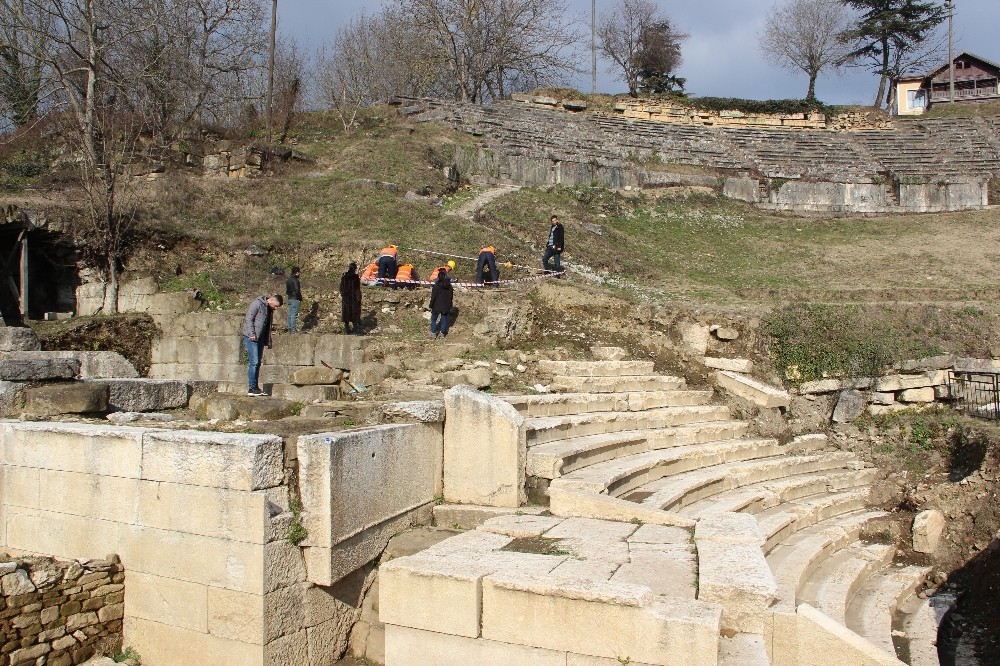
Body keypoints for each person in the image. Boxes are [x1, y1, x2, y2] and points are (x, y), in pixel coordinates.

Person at [242, 293, 283, 396]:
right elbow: (249, 318)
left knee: (258, 363)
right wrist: (251, 333)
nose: (275, 308)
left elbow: (267, 326)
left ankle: (256, 387)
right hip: (252, 337)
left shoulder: (269, 309)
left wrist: (268, 341)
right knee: (254, 362)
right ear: (272, 300)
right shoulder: (257, 303)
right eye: (276, 306)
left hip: (260, 338)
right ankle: (251, 389)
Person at [429, 268, 454, 338]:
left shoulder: (436, 286)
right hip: (445, 306)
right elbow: (451, 297)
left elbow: (433, 297)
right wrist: (450, 305)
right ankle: (442, 333)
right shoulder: (450, 286)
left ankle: (434, 333)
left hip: (436, 306)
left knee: (433, 319)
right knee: (444, 318)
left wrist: (431, 305)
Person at [339, 262, 362, 334]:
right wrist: (359, 297)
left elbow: (341, 288)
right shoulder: (356, 277)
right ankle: (355, 330)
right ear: (355, 269)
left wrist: (343, 294)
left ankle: (347, 330)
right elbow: (357, 289)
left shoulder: (344, 276)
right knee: (354, 313)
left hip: (346, 298)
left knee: (346, 313)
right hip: (354, 298)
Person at [285, 266, 302, 331]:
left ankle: (289, 327)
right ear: (297, 272)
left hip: (290, 298)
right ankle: (293, 329)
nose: (300, 274)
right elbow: (297, 290)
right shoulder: (295, 280)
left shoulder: (288, 280)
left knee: (289, 313)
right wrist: (300, 298)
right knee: (294, 314)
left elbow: (287, 290)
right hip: (295, 298)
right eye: (299, 272)